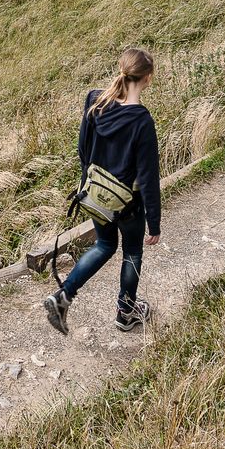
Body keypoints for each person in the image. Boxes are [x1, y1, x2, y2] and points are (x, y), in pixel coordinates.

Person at [42, 48, 163, 337]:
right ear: (148, 78)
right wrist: (155, 222)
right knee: (132, 252)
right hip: (128, 204)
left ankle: (63, 296)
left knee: (104, 245)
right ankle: (125, 313)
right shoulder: (142, 122)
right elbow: (147, 178)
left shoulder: (95, 101)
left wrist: (93, 182)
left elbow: (83, 150)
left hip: (96, 194)